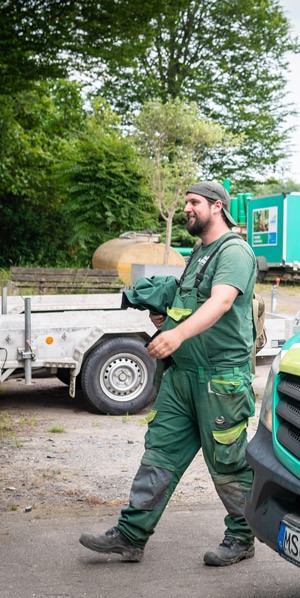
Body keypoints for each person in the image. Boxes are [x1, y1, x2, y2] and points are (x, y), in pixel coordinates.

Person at [80, 180, 259, 566]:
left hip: (219, 380)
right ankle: (131, 535)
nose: (187, 209)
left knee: (227, 463)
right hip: (182, 377)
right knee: (159, 455)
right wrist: (165, 319)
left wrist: (176, 335)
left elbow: (221, 302)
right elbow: (187, 301)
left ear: (217, 206)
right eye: (186, 203)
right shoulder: (199, 252)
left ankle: (242, 537)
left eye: (194, 202)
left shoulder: (234, 251)